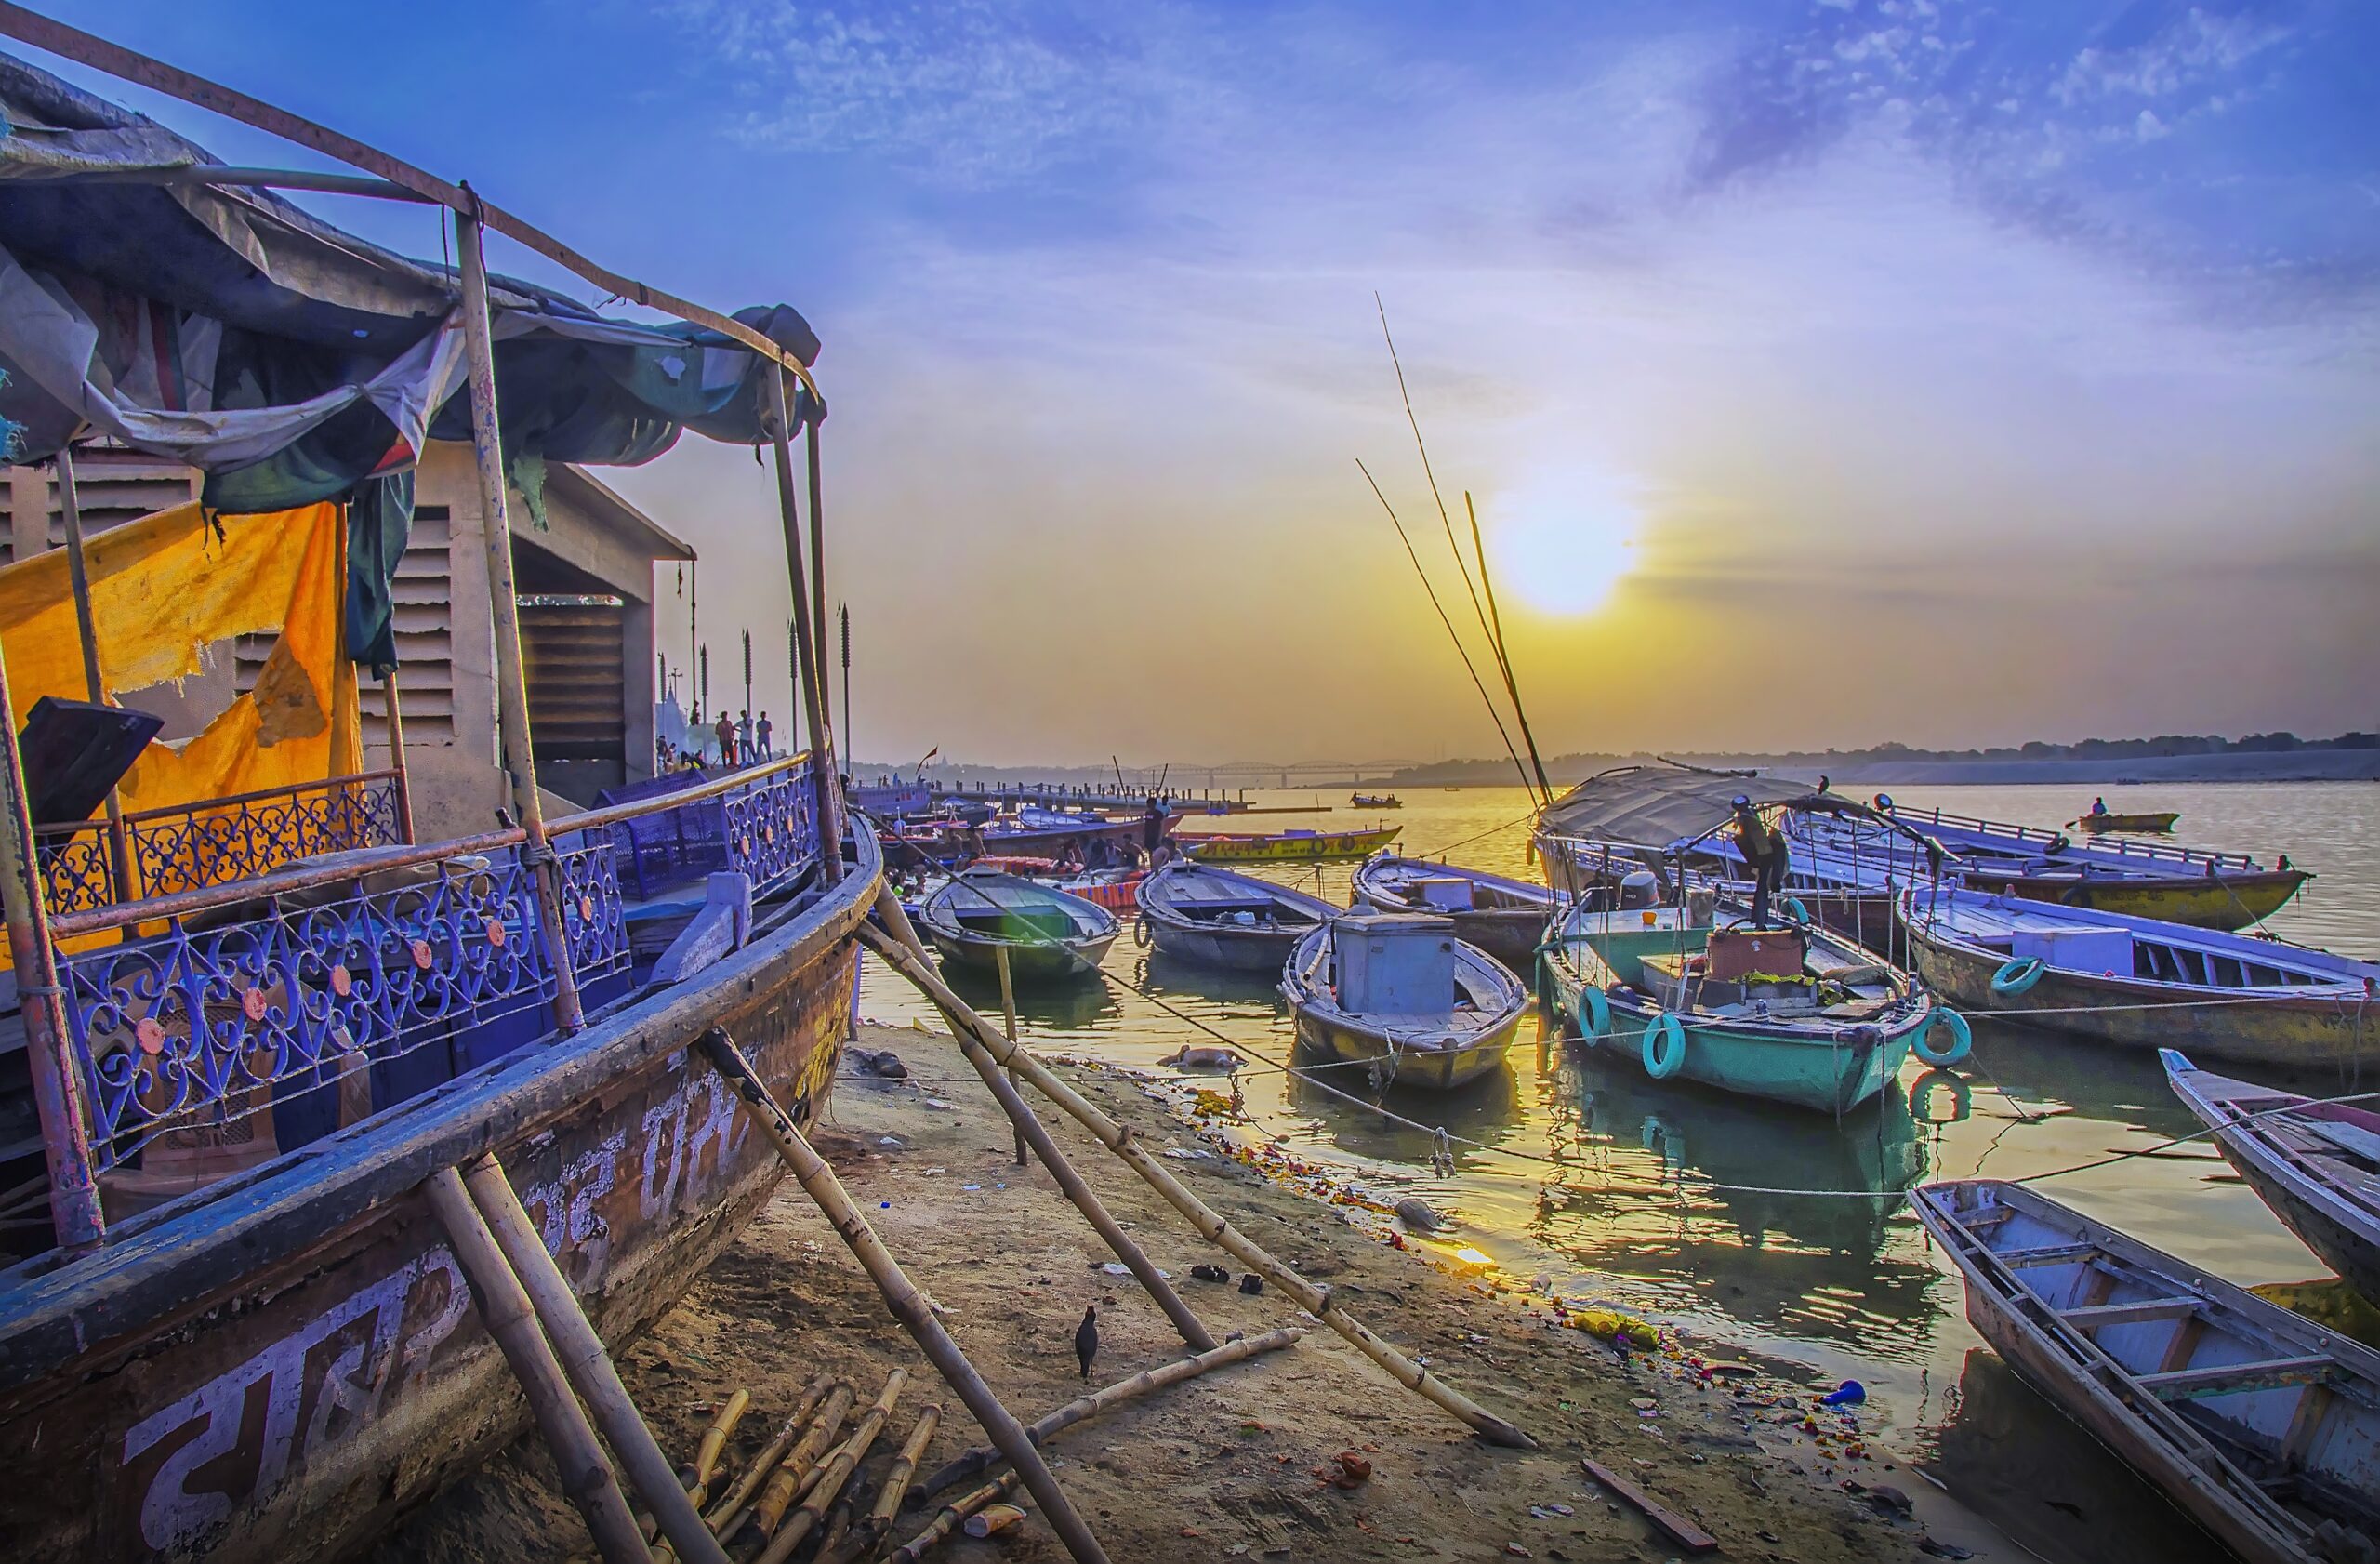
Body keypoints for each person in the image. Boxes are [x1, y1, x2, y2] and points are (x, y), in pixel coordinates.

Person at [1731, 795, 1791, 927]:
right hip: (1763, 858)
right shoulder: (1746, 824)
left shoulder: (1774, 843)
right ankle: (1759, 920)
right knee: (1762, 890)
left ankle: (1760, 919)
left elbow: (1778, 865)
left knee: (1762, 889)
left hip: (1766, 858)